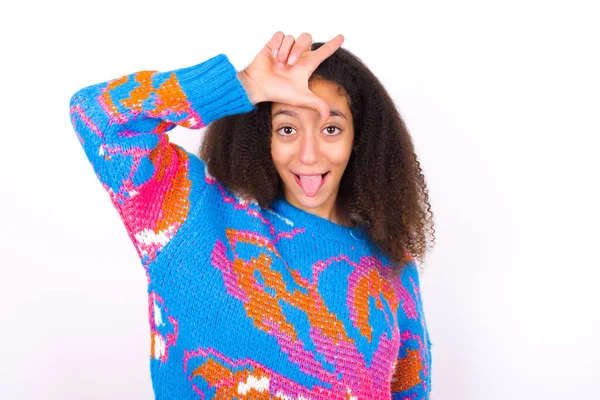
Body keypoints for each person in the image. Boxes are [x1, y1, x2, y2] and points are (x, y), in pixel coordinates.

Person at [69, 31, 434, 399]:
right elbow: (98, 117)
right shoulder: (191, 216)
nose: (309, 154)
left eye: (330, 128)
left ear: (360, 140)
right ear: (265, 137)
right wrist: (244, 84)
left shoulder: (393, 267)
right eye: (287, 129)